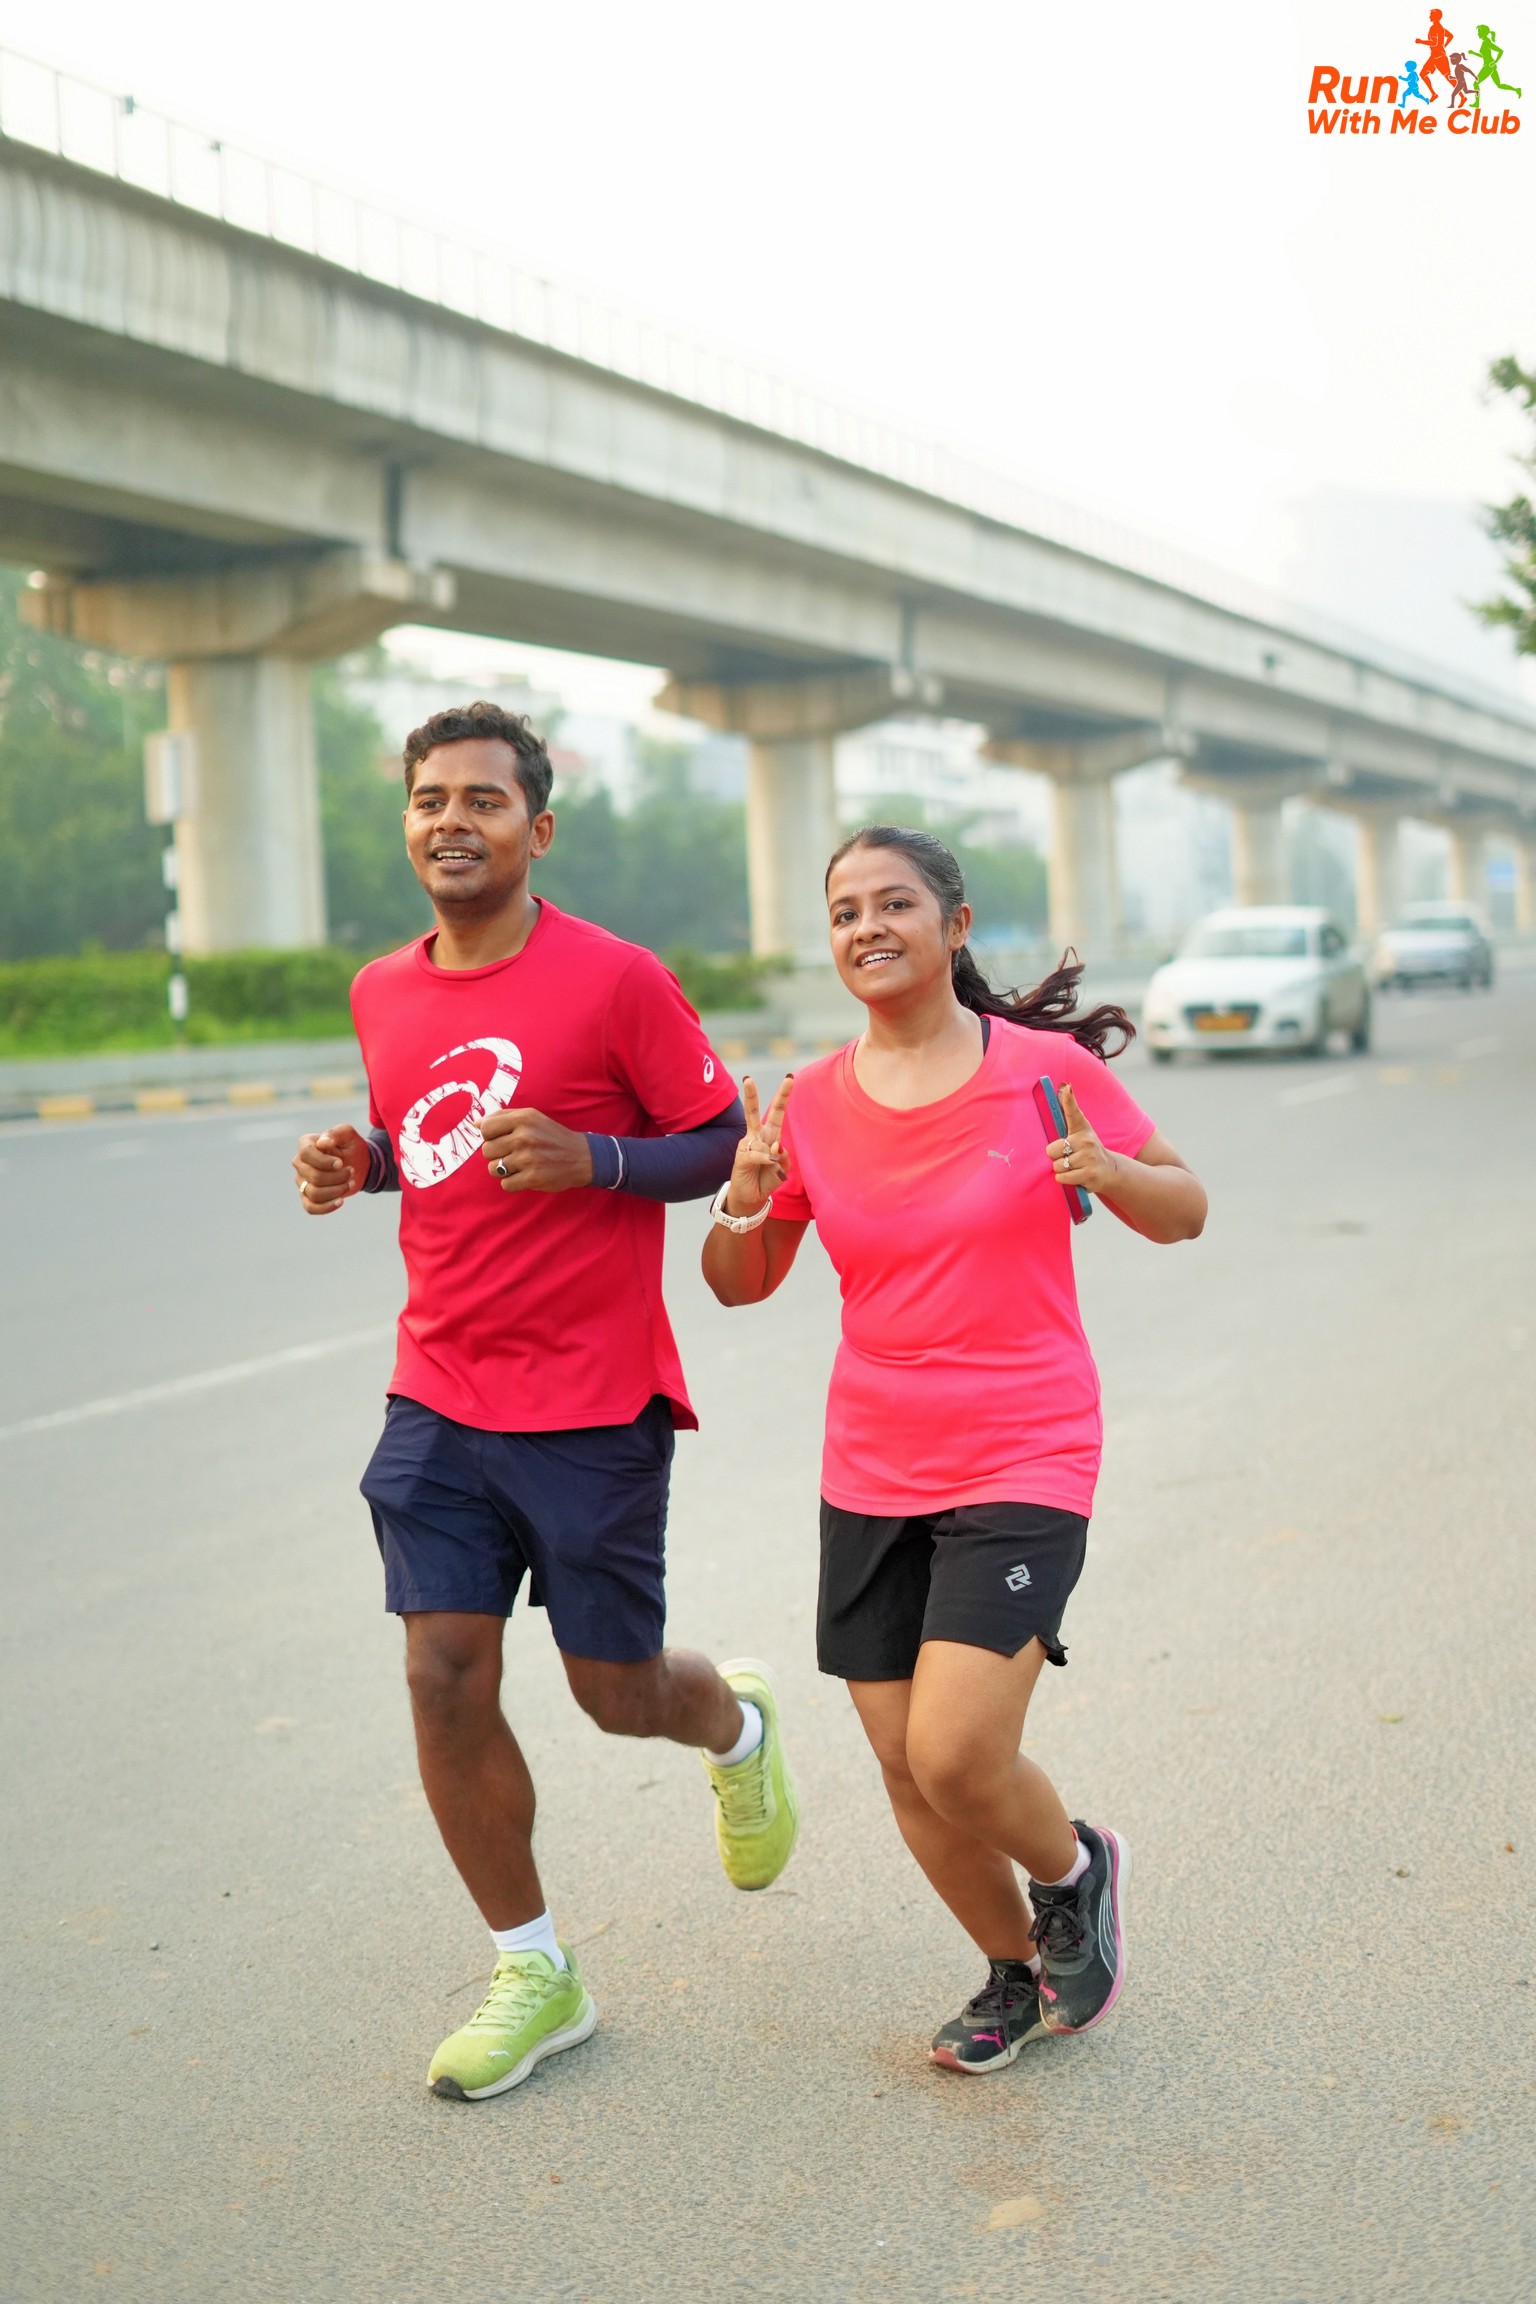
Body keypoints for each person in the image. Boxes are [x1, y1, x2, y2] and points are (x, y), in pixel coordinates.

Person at [291, 702, 797, 2102]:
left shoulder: (616, 978)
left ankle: (736, 1727)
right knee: (441, 1673)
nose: (452, 821)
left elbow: (718, 1140)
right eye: (429, 800)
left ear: (539, 828)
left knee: (617, 1694)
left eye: (484, 800)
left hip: (591, 1400)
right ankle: (536, 1969)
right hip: (437, 1388)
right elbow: (435, 1138)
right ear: (407, 823)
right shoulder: (381, 990)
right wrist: (362, 1162)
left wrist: (598, 1161)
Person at [701, 825, 1206, 2075]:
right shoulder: (813, 1102)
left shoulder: (1040, 1073)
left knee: (954, 1750)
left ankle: (1075, 1869)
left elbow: (1185, 1208)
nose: (867, 927)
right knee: (901, 1763)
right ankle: (1011, 1973)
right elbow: (738, 1284)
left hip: (1025, 1450)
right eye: (845, 912)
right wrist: (746, 1194)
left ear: (955, 924)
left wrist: (1108, 1171)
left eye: (895, 904)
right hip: (872, 1465)